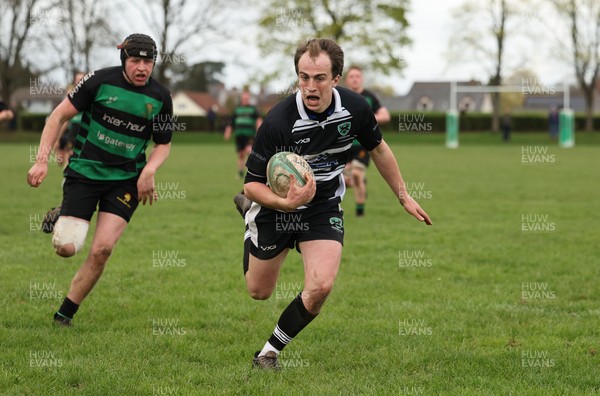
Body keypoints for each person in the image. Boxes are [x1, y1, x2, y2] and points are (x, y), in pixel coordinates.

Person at [235, 38, 432, 370]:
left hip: (323, 206)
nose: (310, 86)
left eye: (320, 78)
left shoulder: (355, 108)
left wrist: (402, 194)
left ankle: (268, 353)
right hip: (275, 208)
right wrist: (284, 204)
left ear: (336, 78)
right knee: (259, 291)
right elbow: (251, 183)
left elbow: (379, 149)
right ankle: (249, 223)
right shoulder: (279, 121)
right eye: (303, 77)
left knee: (321, 285)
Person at [27, 33, 173, 326]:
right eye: (135, 61)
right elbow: (57, 117)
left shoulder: (160, 97)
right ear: (124, 59)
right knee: (67, 248)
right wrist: (41, 160)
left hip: (125, 181)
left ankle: (65, 314)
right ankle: (61, 216)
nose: (142, 67)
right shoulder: (98, 81)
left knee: (102, 249)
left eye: (148, 61)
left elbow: (163, 144)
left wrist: (149, 170)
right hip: (85, 174)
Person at [343, 65, 391, 216]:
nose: (355, 79)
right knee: (344, 181)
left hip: (363, 146)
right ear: (346, 80)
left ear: (361, 79)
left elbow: (386, 116)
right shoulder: (340, 97)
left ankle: (360, 212)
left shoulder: (369, 97)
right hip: (343, 146)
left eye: (357, 76)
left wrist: (366, 119)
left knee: (356, 174)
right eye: (351, 76)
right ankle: (359, 182)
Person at [224, 90, 262, 178]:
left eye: (247, 98)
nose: (246, 99)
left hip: (249, 135)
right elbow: (231, 123)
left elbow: (258, 120)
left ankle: (252, 172)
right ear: (242, 98)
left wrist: (259, 129)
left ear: (249, 99)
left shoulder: (253, 109)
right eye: (244, 98)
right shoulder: (237, 109)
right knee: (241, 154)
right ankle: (240, 171)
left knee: (249, 150)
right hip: (239, 135)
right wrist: (228, 132)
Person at [54, 71, 86, 167]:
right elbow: (64, 118)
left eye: (81, 79)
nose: (79, 82)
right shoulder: (70, 94)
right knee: (59, 159)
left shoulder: (88, 93)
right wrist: (57, 139)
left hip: (79, 128)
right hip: (69, 128)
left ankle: (68, 176)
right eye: (77, 80)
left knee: (71, 154)